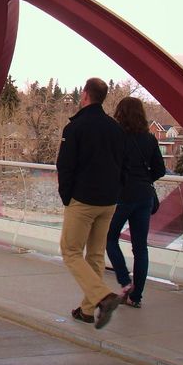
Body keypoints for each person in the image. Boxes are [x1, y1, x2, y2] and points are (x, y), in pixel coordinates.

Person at [56, 77, 125, 329]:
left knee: (71, 251)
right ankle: (87, 311)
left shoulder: (75, 128)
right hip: (109, 201)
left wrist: (67, 196)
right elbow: (121, 164)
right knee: (95, 254)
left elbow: (65, 166)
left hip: (83, 199)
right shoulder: (116, 128)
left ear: (84, 95)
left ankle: (102, 296)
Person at [105, 97, 167, 309]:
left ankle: (124, 281)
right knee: (140, 249)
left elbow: (110, 167)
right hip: (144, 197)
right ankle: (136, 297)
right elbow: (160, 170)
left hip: (122, 197)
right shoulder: (149, 139)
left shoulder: (116, 137)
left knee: (109, 238)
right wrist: (144, 178)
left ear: (120, 113)